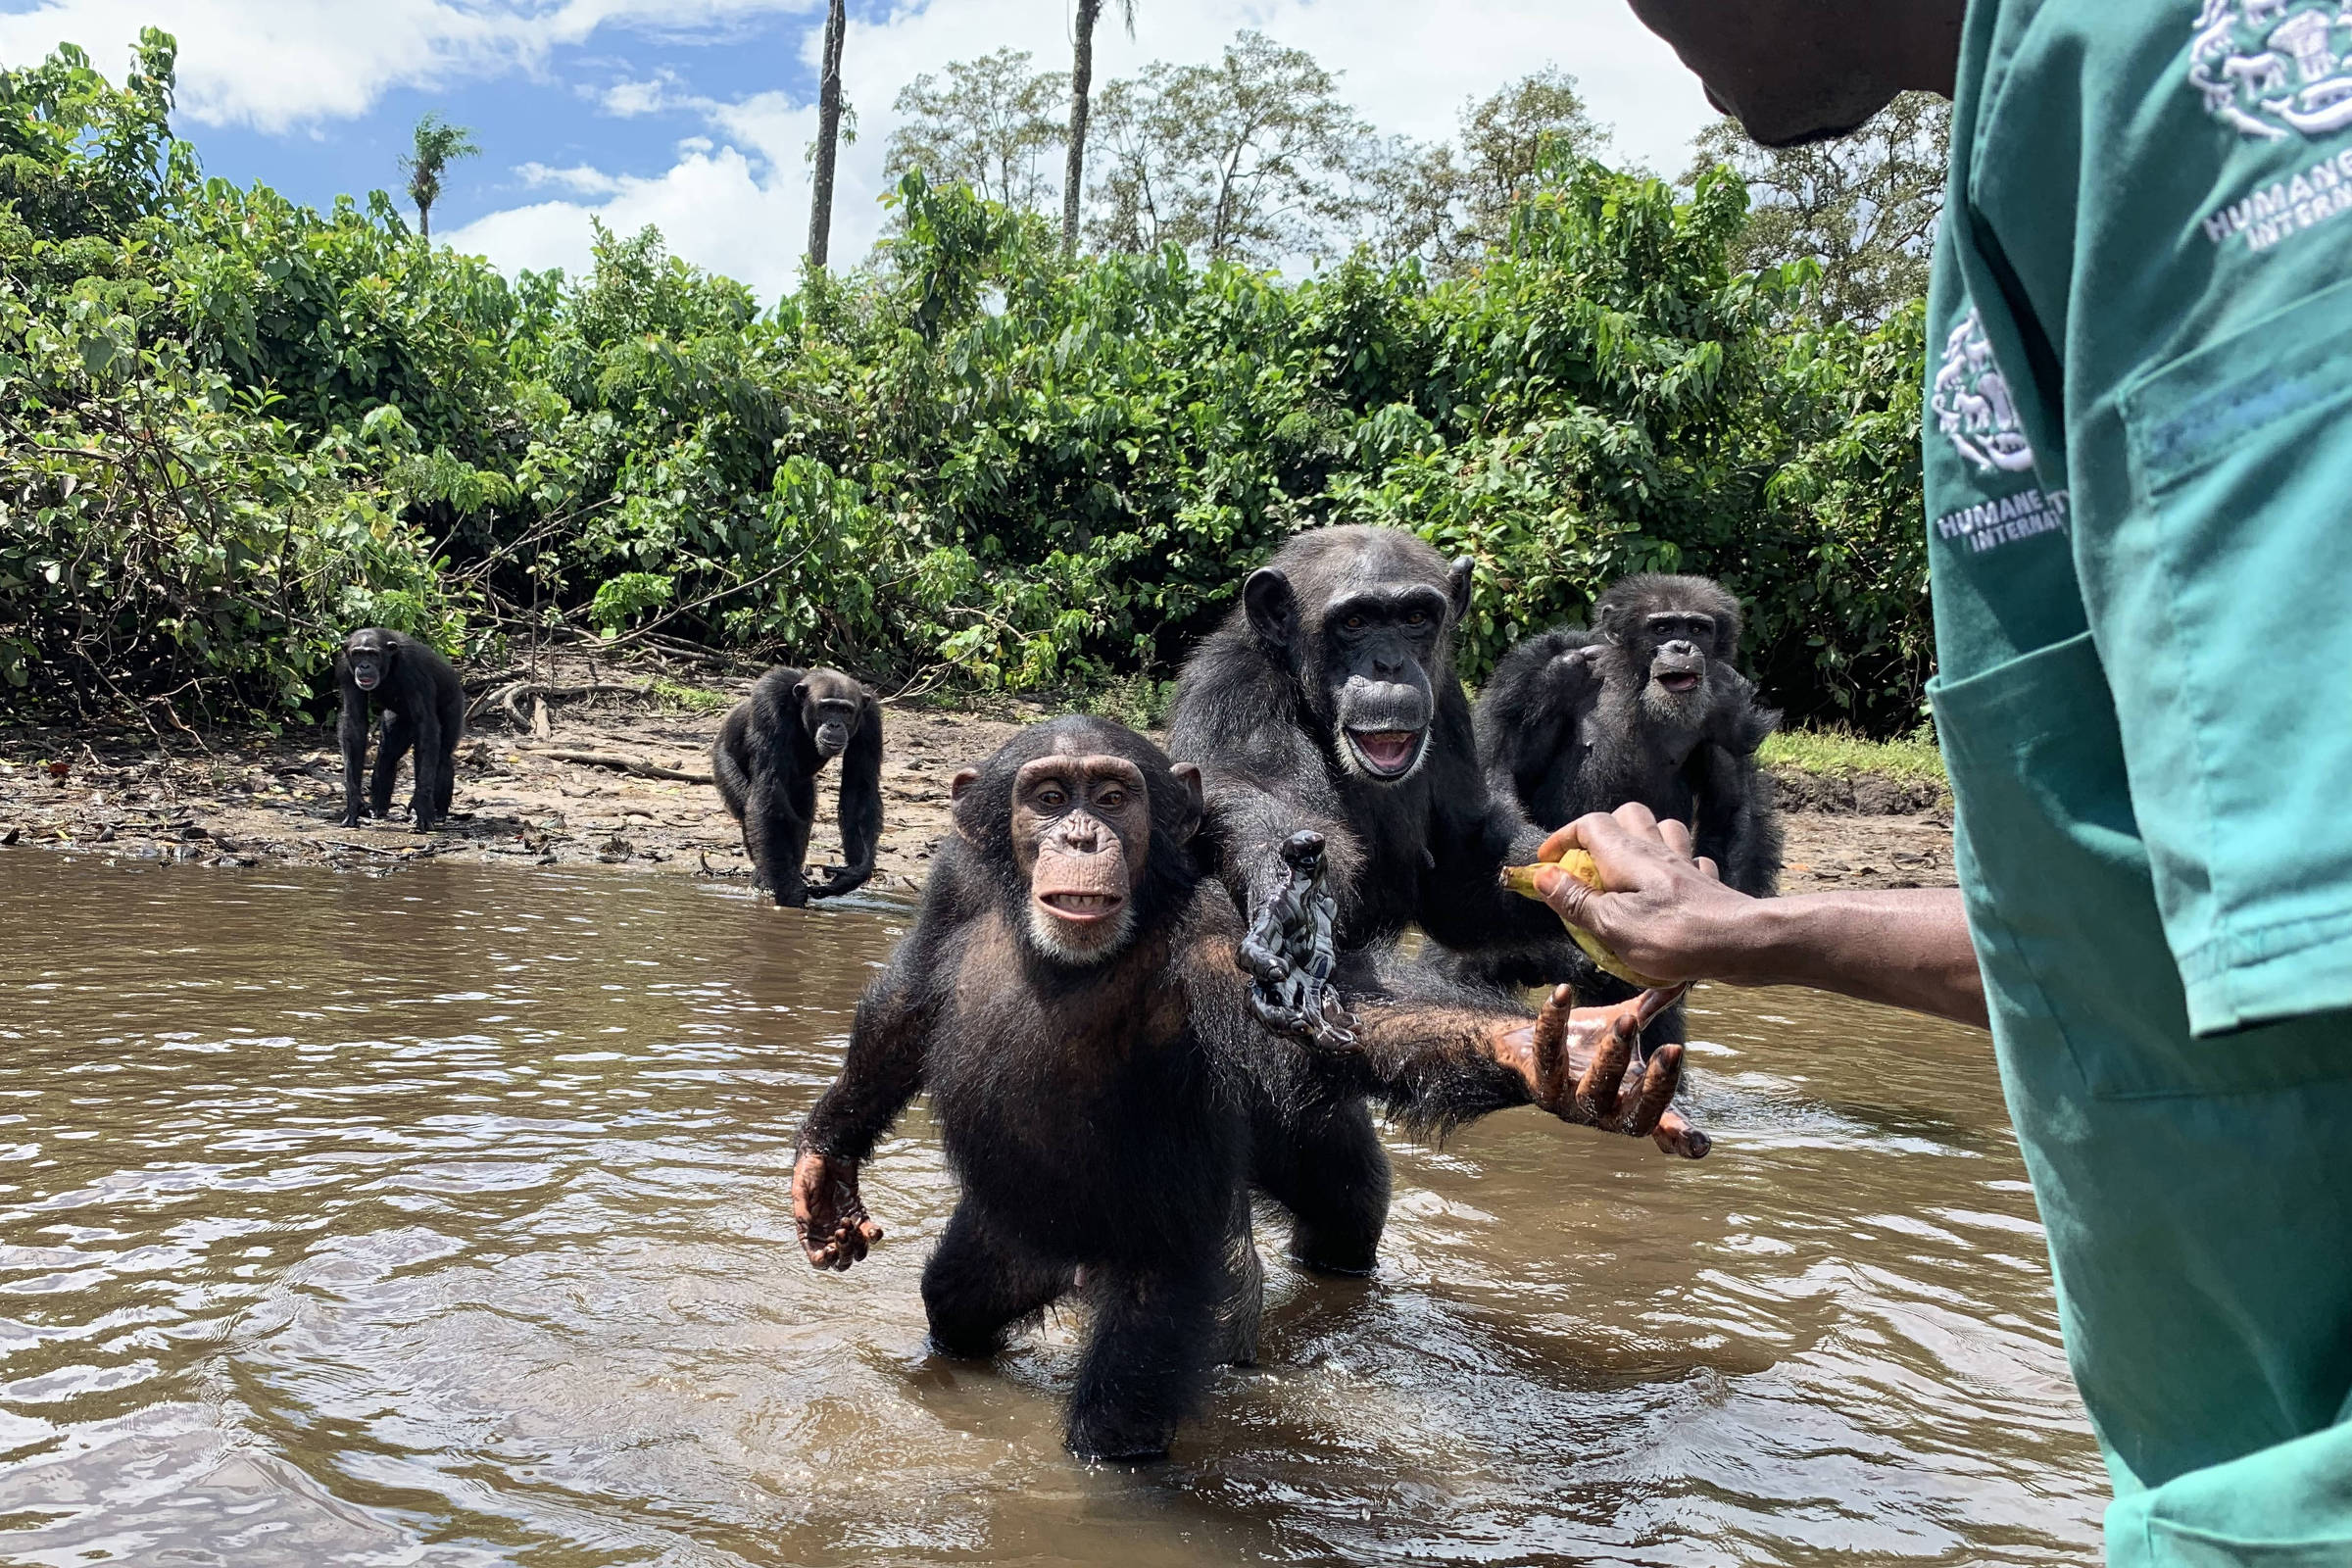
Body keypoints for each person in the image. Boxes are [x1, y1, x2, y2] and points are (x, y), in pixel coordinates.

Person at [1547, 2, 2352, 1562]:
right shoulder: (2033, 149)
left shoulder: (2203, 82)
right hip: (2230, 1482)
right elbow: (2149, 923)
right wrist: (1747, 935)